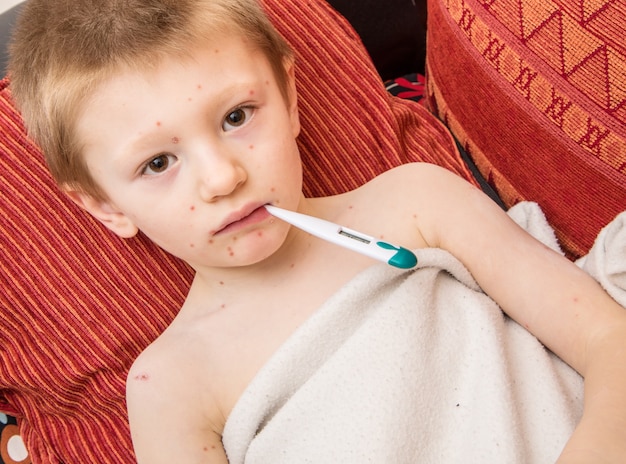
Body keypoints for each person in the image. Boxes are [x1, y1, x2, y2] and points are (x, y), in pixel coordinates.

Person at [8, 0, 626, 462]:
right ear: (104, 206)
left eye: (236, 116)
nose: (223, 177)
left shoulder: (415, 201)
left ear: (291, 95)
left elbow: (610, 342)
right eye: (157, 163)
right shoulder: (170, 384)